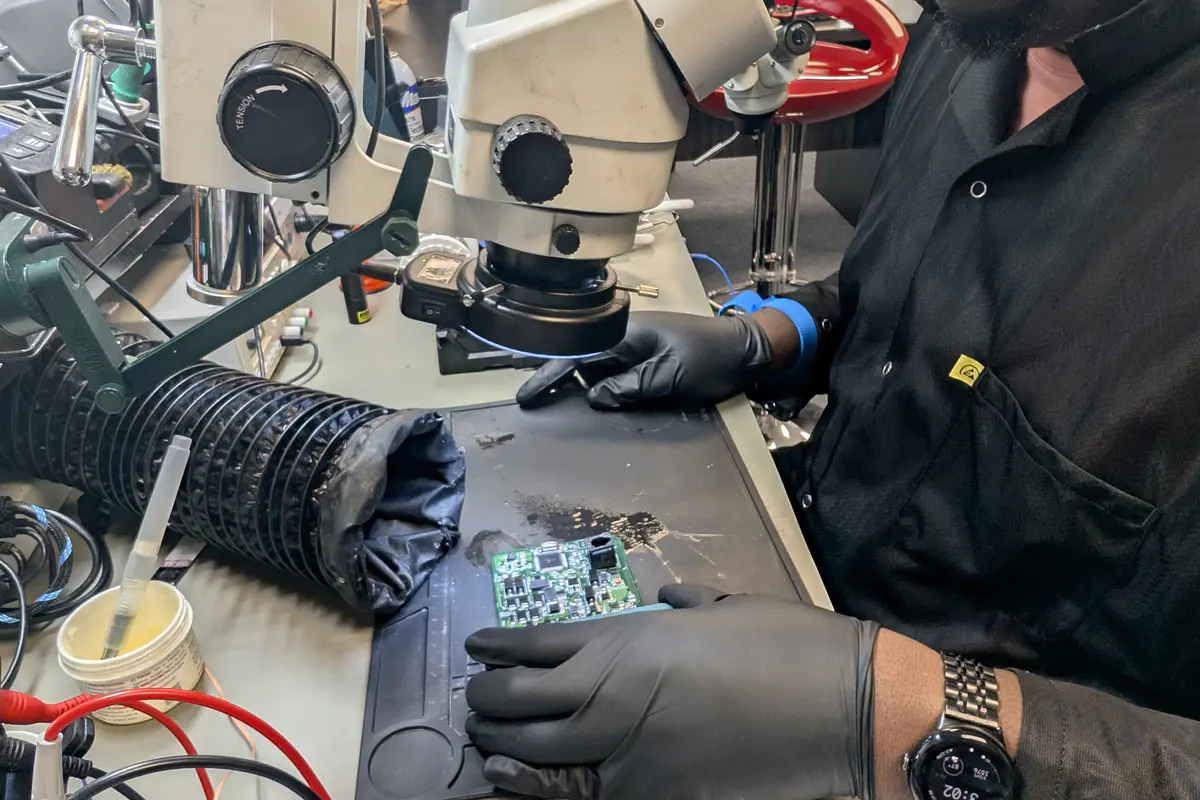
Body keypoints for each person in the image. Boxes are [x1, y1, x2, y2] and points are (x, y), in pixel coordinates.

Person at [462, 0, 1200, 795]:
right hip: (787, 569)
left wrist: (898, 714)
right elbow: (917, 295)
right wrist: (775, 334)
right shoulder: (973, 30)